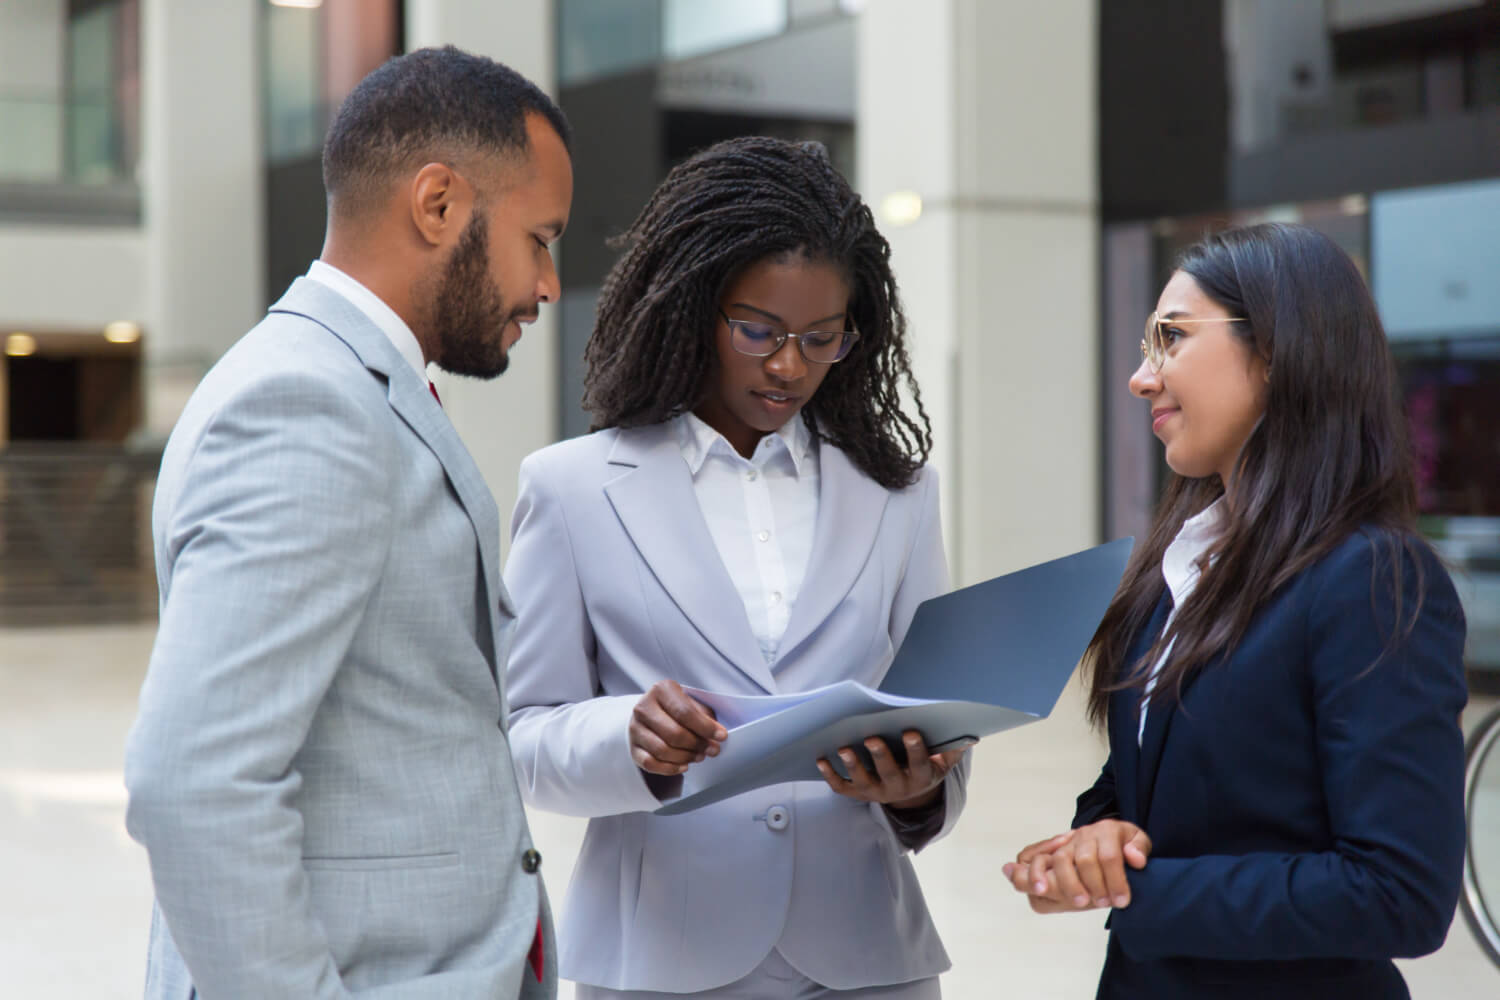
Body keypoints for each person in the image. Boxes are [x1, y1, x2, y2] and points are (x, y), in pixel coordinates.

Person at [123, 46, 573, 999]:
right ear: (439, 203)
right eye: (541, 239)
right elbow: (195, 784)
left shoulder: (349, 383)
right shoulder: (305, 403)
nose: (548, 286)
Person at [503, 136, 969, 998]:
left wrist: (917, 792)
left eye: (821, 337)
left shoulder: (899, 496)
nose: (789, 365)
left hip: (867, 961)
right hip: (661, 958)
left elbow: (938, 718)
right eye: (759, 330)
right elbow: (525, 732)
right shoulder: (571, 489)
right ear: (692, 307)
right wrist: (627, 739)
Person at [1003, 223, 1468, 999]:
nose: (1140, 378)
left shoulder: (1369, 577)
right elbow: (1154, 781)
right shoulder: (1178, 569)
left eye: (1171, 339)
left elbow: (1400, 893)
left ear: (1280, 350)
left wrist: (1144, 895)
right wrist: (1099, 840)